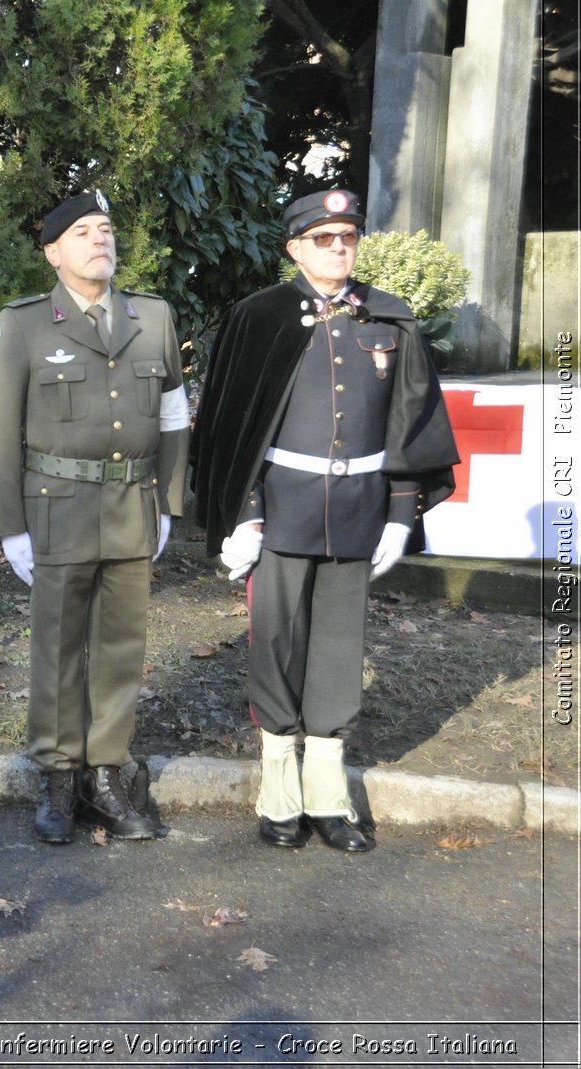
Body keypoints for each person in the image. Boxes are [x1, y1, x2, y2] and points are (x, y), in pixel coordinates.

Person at [190, 190, 458, 853]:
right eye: (323, 238)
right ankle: (279, 785)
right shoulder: (260, 320)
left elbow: (413, 424)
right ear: (295, 248)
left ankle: (327, 791)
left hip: (358, 512)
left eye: (347, 237)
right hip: (283, 510)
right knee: (277, 641)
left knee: (339, 647)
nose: (338, 248)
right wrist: (245, 516)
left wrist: (401, 514)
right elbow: (234, 427)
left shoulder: (390, 320)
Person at [0, 191, 190, 844]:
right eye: (82, 232)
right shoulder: (26, 325)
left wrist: (169, 503)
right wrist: (10, 525)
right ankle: (58, 778)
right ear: (53, 252)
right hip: (56, 511)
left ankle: (106, 774)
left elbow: (176, 416)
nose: (100, 239)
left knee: (122, 651)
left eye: (106, 229)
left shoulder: (151, 318)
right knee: (59, 647)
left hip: (131, 506)